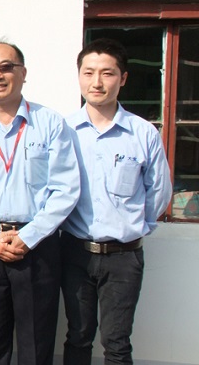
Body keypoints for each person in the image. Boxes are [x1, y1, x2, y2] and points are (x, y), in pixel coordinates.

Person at [0, 41, 80, 365]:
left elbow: (66, 189)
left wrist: (28, 236)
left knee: (35, 344)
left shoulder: (50, 123)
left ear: (23, 73)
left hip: (37, 247)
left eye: (6, 67)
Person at [60, 38, 172, 364]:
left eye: (107, 73)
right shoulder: (64, 131)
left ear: (123, 78)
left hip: (124, 257)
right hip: (75, 252)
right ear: (79, 76)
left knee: (117, 342)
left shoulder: (143, 133)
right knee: (78, 336)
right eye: (88, 72)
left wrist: (133, 228)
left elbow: (158, 191)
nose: (96, 82)